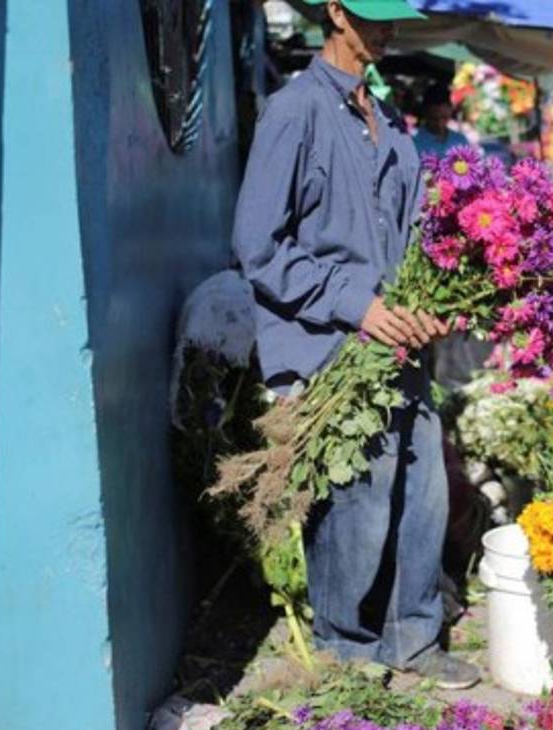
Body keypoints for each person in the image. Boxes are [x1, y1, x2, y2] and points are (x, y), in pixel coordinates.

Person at [231, 0, 479, 689]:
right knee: (358, 502)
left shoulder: (389, 121)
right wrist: (357, 305)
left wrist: (429, 304)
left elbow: (412, 236)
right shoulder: (295, 113)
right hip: (328, 346)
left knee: (422, 489)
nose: (387, 26)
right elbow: (257, 245)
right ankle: (347, 648)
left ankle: (414, 635)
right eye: (372, 14)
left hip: (398, 344)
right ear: (335, 11)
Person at [413, 82, 470, 158]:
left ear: (450, 110)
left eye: (444, 117)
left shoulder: (460, 141)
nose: (439, 124)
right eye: (433, 119)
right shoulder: (414, 142)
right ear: (425, 113)